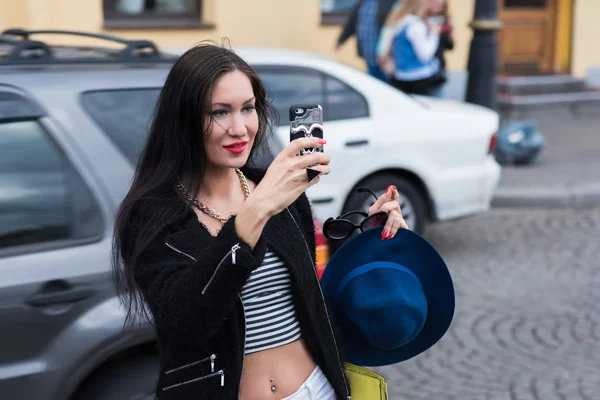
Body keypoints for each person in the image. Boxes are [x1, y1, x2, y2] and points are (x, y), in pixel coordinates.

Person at [111, 42, 408, 400]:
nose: (240, 128)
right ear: (184, 119)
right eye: (219, 112)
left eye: (247, 108)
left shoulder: (278, 192)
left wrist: (370, 236)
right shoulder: (152, 217)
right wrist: (255, 213)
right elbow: (186, 322)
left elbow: (312, 285)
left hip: (319, 388)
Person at [377, 0, 442, 95]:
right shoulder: (416, 25)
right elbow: (425, 56)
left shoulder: (398, 23)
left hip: (400, 75)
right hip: (419, 77)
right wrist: (434, 35)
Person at [334, 0, 398, 82]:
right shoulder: (364, 2)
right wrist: (341, 39)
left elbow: (391, 27)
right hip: (368, 55)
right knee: (373, 83)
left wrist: (386, 51)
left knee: (387, 87)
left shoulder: (389, 2)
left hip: (384, 57)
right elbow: (353, 20)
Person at [427, 0, 454, 98]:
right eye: (434, 3)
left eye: (440, 5)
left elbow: (450, 46)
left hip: (438, 68)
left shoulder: (445, 22)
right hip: (423, 67)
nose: (436, 7)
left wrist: (448, 30)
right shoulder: (422, 20)